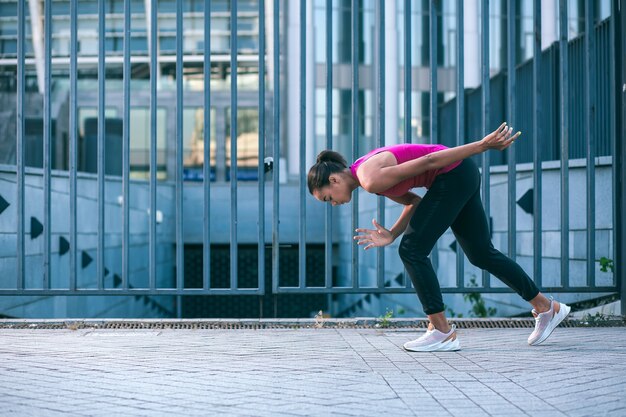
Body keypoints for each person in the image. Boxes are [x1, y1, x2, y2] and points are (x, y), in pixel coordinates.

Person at [307, 122, 570, 352]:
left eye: (328, 198)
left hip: (452, 174)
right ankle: (547, 308)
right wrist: (392, 234)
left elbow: (430, 161)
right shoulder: (366, 175)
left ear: (333, 180)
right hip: (461, 173)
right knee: (480, 253)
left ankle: (442, 332)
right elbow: (414, 202)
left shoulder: (370, 178)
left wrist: (482, 145)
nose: (333, 204)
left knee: (412, 250)